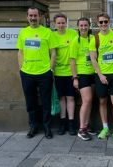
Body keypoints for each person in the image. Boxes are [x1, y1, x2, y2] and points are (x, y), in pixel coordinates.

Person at [16, 7, 58, 139]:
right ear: (27, 17)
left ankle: (47, 127)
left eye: (35, 16)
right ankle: (33, 126)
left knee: (46, 101)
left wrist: (50, 69)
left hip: (44, 72)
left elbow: (53, 53)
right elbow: (20, 52)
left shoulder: (47, 32)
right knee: (30, 101)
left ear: (40, 17)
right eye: (31, 16)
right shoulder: (23, 32)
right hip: (27, 73)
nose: (33, 18)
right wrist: (21, 68)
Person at [89, 13, 113, 143]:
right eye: (101, 22)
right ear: (97, 24)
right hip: (101, 75)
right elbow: (93, 58)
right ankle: (105, 128)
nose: (103, 24)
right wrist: (100, 75)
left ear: (109, 22)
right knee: (102, 102)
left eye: (105, 22)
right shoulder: (95, 38)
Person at [70, 17, 95, 141]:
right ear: (78, 27)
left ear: (89, 26)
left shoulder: (92, 39)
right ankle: (81, 129)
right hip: (82, 74)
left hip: (92, 73)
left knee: (90, 101)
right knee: (87, 100)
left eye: (86, 25)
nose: (84, 28)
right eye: (81, 25)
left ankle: (86, 125)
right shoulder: (76, 41)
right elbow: (72, 61)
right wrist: (75, 78)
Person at [52, 13, 77, 135]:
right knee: (61, 98)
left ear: (66, 23)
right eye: (59, 23)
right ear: (54, 24)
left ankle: (71, 123)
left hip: (70, 72)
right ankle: (63, 122)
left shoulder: (73, 34)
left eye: (63, 22)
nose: (61, 25)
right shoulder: (52, 36)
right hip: (57, 73)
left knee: (71, 98)